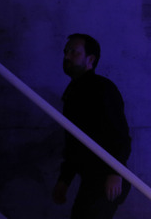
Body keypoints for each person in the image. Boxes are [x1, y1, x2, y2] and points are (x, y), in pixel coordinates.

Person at [52, 33, 132, 219]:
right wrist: (65, 180)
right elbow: (74, 142)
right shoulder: (73, 92)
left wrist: (115, 172)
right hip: (93, 176)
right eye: (66, 52)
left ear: (91, 59)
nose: (66, 57)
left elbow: (119, 134)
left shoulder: (102, 88)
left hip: (106, 176)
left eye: (74, 52)